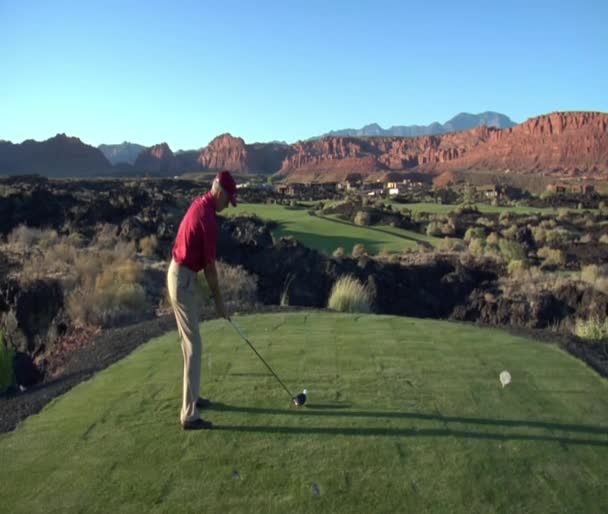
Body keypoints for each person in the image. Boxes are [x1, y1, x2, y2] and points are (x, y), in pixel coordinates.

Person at [166, 170, 237, 430]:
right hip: (183, 279)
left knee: (190, 344)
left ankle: (193, 399)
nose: (228, 206)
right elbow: (210, 268)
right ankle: (189, 415)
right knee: (194, 346)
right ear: (219, 191)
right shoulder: (208, 219)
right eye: (228, 200)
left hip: (182, 276)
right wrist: (219, 302)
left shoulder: (200, 203)